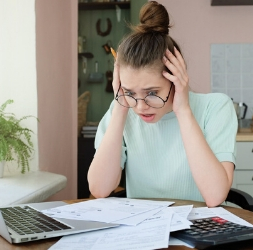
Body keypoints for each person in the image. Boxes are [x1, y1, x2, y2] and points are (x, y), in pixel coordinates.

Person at [87, 1, 237, 207]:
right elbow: (99, 188)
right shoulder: (122, 108)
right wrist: (121, 105)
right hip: (145, 230)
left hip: (201, 230)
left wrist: (183, 111)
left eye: (152, 92)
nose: (140, 107)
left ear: (176, 79)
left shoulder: (216, 107)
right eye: (130, 92)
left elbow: (214, 196)